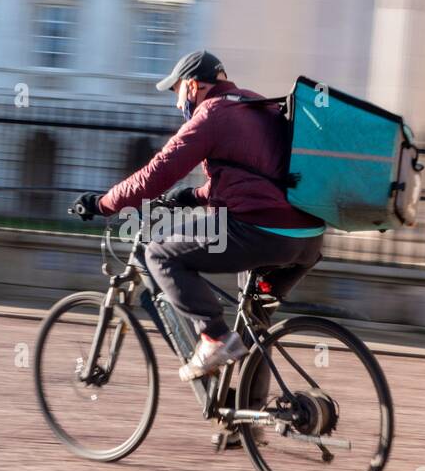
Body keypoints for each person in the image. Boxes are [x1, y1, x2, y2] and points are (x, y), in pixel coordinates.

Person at [73, 50, 325, 381]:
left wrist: (104, 203)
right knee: (255, 325)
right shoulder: (255, 104)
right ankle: (243, 425)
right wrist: (193, 195)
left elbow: (156, 174)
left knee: (160, 254)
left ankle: (213, 337)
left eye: (177, 92)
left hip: (261, 231)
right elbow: (256, 178)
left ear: (192, 86)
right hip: (307, 238)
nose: (178, 104)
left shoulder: (213, 113)